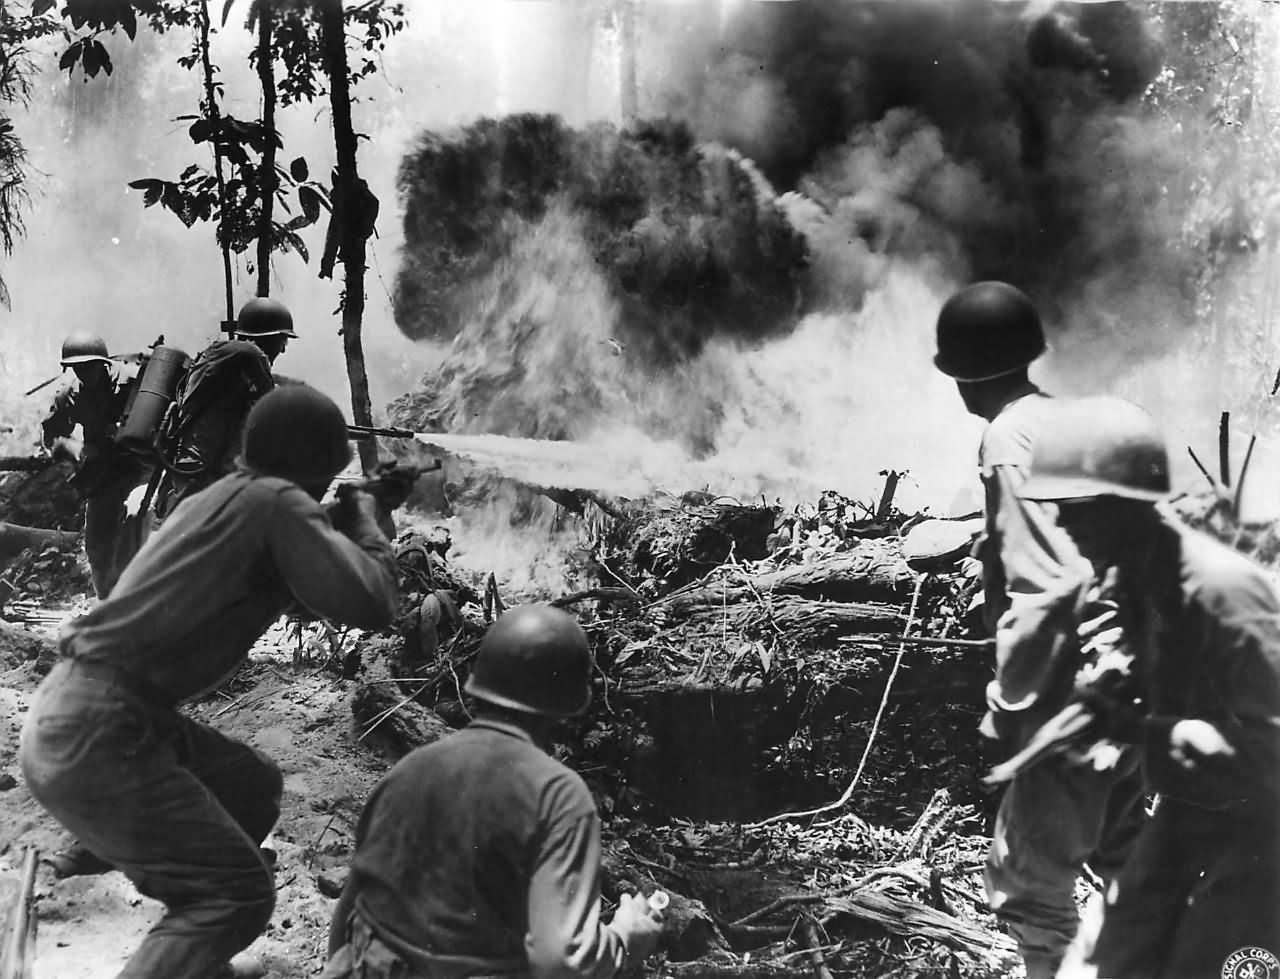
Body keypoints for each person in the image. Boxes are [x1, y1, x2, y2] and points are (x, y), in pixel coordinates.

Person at [19, 384, 399, 979]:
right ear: (312, 465)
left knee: (250, 786)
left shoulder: (227, 497)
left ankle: (190, 954)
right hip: (99, 732)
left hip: (79, 715)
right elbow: (373, 603)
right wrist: (369, 522)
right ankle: (187, 925)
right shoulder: (275, 502)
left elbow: (291, 554)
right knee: (236, 894)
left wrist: (344, 519)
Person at [1018, 397, 1280, 978]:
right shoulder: (1139, 579)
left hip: (1259, 831)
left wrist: (1143, 730)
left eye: (1075, 509)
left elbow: (1272, 751)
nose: (1061, 524)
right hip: (1189, 810)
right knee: (1101, 963)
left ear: (1124, 507)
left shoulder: (1223, 593)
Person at [933, 282, 1145, 979]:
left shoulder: (1006, 438)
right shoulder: (1065, 424)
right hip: (1127, 681)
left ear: (964, 378)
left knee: (1027, 880)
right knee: (1126, 860)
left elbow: (1046, 586)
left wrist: (1011, 704)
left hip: (1071, 692)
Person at [323, 604, 666, 979]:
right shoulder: (558, 795)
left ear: (478, 687)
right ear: (567, 708)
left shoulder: (409, 768)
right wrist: (624, 939)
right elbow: (561, 960)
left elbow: (348, 911)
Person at [154, 296, 296, 520]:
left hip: (191, 468)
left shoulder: (222, 357)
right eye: (282, 340)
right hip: (206, 475)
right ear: (268, 337)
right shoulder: (251, 356)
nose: (283, 350)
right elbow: (270, 410)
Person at [41, 332, 149, 599]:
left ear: (103, 363)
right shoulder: (68, 393)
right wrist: (75, 449)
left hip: (142, 466)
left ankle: (139, 602)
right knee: (97, 546)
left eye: (89, 366)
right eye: (77, 368)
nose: (84, 373)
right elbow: (52, 437)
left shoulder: (135, 381)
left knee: (138, 531)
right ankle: (106, 604)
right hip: (103, 472)